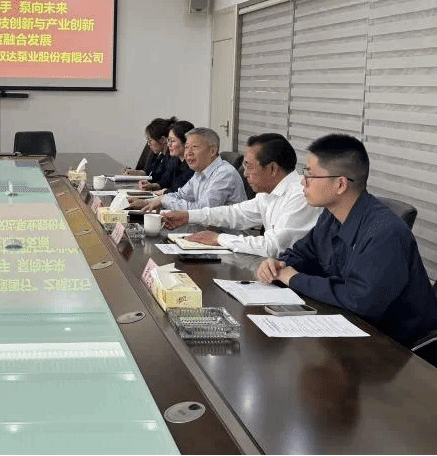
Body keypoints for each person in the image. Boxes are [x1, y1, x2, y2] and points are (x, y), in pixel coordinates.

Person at [255, 134, 437, 347]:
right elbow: (302, 254)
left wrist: (294, 278)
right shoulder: (330, 216)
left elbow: (359, 299)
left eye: (310, 175)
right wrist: (277, 264)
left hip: (398, 347)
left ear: (341, 184)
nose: (303, 181)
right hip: (349, 327)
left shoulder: (385, 232)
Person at [161, 133, 321, 257]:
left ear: (272, 169)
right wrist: (188, 216)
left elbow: (274, 247)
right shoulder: (268, 193)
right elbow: (236, 213)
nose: (245, 174)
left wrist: (218, 239)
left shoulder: (301, 195)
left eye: (249, 166)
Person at [135, 127, 246, 212]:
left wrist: (164, 200)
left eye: (194, 147)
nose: (188, 153)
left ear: (212, 151)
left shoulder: (224, 174)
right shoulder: (200, 172)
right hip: (204, 230)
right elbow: (180, 195)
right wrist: (147, 202)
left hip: (226, 234)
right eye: (187, 147)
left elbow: (203, 210)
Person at [141, 120, 195, 194]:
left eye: (173, 141)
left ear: (186, 142)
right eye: (168, 140)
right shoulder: (175, 161)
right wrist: (151, 186)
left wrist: (164, 192)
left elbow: (181, 193)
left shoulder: (193, 166)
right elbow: (165, 182)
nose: (169, 144)